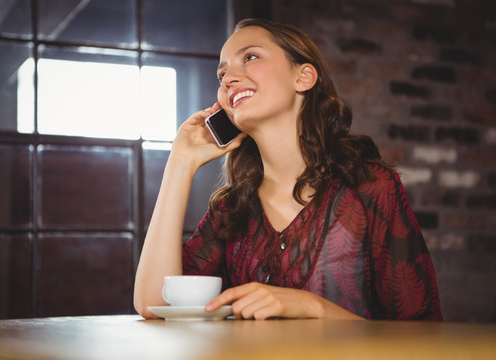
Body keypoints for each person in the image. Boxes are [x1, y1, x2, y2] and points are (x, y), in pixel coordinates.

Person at [134, 18, 443, 321]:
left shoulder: (370, 185)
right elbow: (153, 303)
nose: (228, 78)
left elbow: (423, 335)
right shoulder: (233, 209)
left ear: (304, 77)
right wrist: (180, 162)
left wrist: (315, 308)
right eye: (222, 73)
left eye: (250, 57)